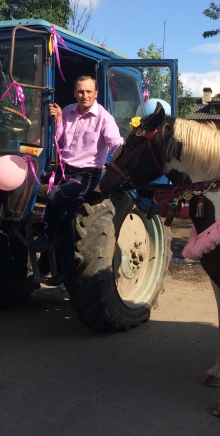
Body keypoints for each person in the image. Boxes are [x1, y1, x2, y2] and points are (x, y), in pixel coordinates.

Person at [43, 75, 123, 285]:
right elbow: (59, 140)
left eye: (88, 92)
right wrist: (57, 120)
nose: (84, 95)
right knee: (64, 215)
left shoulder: (104, 118)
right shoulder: (68, 111)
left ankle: (47, 241)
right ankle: (63, 270)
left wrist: (125, 156)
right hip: (63, 170)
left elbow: (115, 143)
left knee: (54, 198)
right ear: (74, 93)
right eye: (80, 91)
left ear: (96, 94)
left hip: (86, 175)